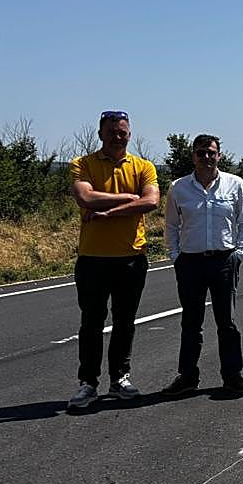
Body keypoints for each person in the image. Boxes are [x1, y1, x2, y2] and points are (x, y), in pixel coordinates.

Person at [66, 110, 160, 409]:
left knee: (125, 322)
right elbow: (85, 198)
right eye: (112, 132)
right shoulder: (82, 164)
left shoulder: (143, 166)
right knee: (91, 322)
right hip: (92, 257)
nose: (118, 136)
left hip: (131, 257)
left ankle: (119, 377)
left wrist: (109, 212)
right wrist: (129, 199)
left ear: (129, 134)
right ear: (100, 134)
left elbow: (152, 201)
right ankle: (88, 383)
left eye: (123, 132)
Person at [161, 134, 243, 396]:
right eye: (201, 153)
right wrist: (175, 256)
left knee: (228, 322)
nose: (206, 157)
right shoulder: (179, 187)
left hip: (224, 260)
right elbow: (171, 226)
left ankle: (233, 375)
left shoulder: (234, 184)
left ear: (219, 156)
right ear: (193, 156)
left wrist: (241, 251)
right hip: (190, 262)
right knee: (191, 322)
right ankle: (188, 376)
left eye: (211, 152)